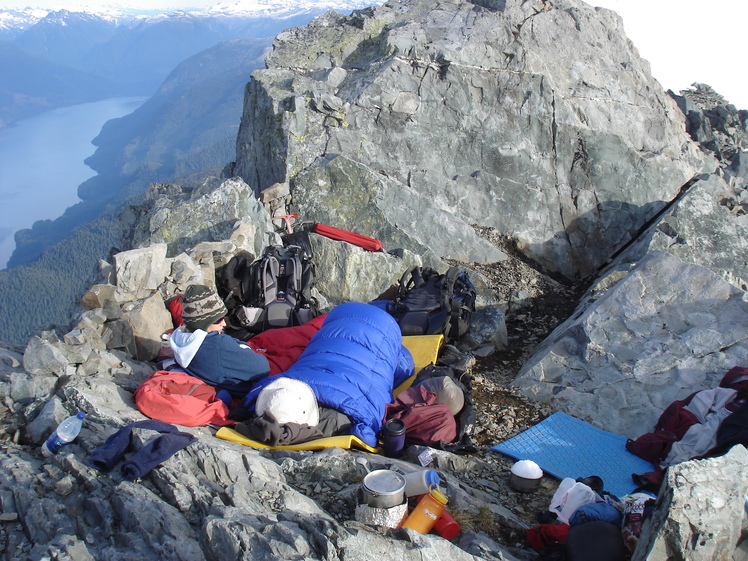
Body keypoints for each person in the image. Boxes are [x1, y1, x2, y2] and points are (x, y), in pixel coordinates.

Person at [169, 284, 272, 397]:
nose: (224, 324)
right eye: (218, 320)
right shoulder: (217, 346)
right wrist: (243, 347)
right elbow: (263, 368)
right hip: (245, 393)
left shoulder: (179, 340)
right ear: (202, 324)